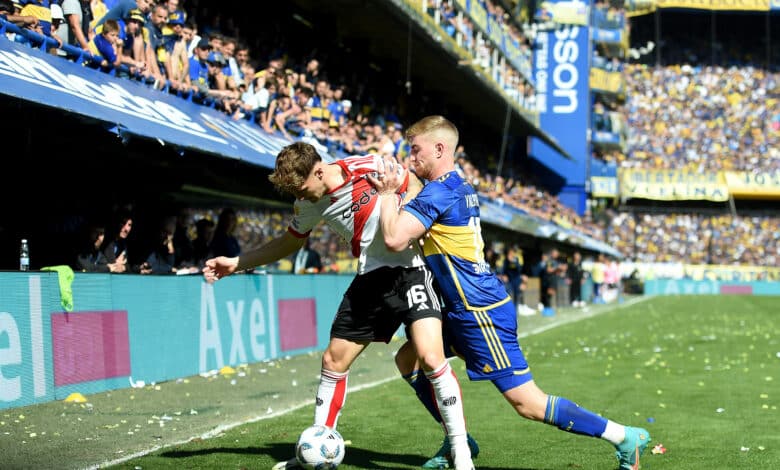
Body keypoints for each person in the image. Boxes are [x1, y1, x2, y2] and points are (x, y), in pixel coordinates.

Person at [367, 115, 651, 470]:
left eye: (416, 150)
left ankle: (624, 437)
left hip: (479, 312)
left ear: (439, 149)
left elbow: (394, 238)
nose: (411, 158)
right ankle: (458, 438)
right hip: (463, 308)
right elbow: (415, 193)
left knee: (528, 404)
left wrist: (386, 194)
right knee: (408, 359)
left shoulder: (441, 191)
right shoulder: (453, 185)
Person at [203, 142, 475, 470]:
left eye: (302, 188)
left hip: (413, 269)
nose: (300, 197)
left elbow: (417, 188)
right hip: (371, 276)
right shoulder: (308, 203)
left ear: (319, 171)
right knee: (333, 359)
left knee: (430, 358)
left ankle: (461, 454)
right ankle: (315, 446)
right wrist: (237, 262)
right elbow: (289, 242)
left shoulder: (367, 166)